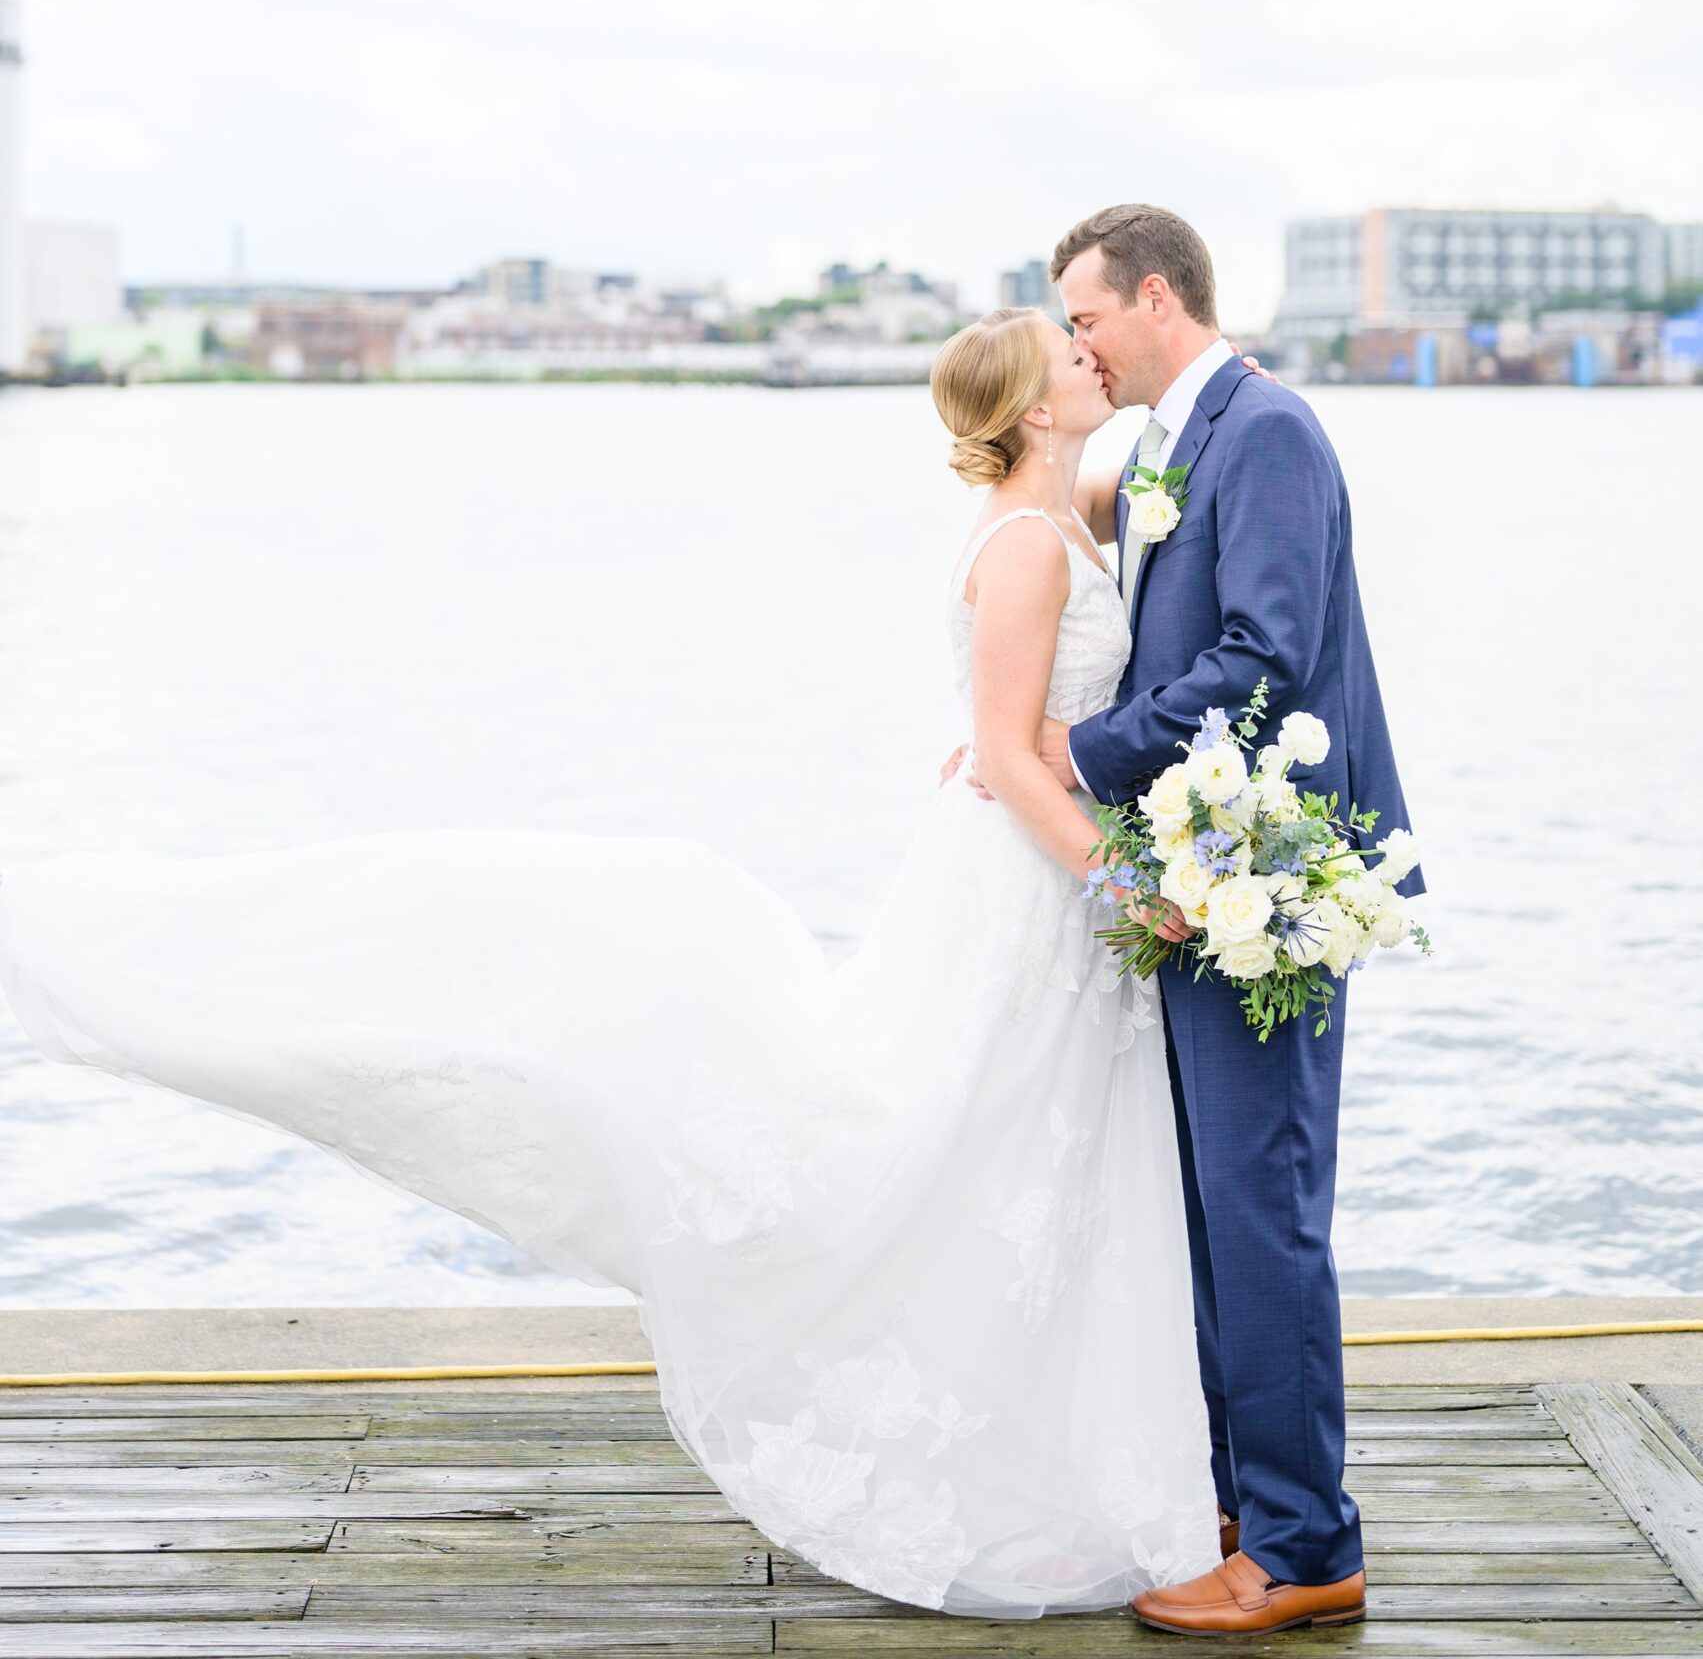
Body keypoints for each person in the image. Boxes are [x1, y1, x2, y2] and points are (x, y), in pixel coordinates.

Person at [0, 303, 1220, 1618]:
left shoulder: (1061, 511)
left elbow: (1069, 642)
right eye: (1070, 357)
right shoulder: (1032, 544)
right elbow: (1001, 755)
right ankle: (1002, 1471)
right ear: (1034, 410)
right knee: (967, 1161)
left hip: (1030, 891)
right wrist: (1134, 885)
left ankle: (1058, 1457)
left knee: (1028, 1172)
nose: (1092, 362)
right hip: (1029, 893)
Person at [1049, 203, 1420, 1637]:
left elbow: (1261, 655)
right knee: (1213, 1210)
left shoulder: (1265, 434)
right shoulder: (1167, 444)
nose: (1078, 342)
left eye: (1086, 317)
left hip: (1272, 881)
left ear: (1156, 296)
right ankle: (1244, 1504)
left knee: (1260, 1214)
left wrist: (1080, 749)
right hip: (1201, 880)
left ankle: (1307, 1547)